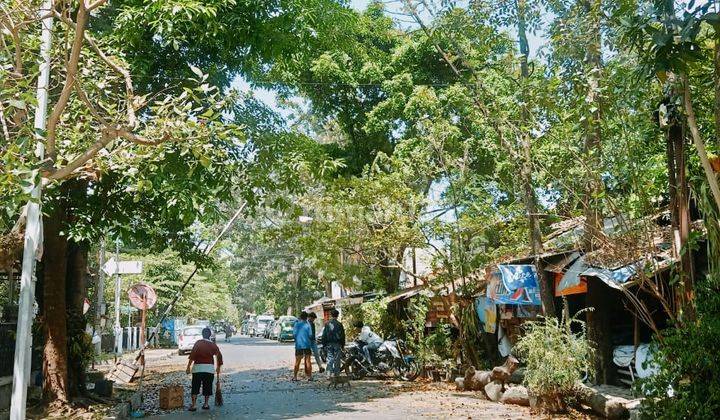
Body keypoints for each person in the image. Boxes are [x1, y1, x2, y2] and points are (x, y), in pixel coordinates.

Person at [185, 327, 223, 411]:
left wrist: (188, 367)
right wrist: (218, 367)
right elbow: (219, 356)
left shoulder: (198, 343)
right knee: (207, 387)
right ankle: (206, 404)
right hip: (209, 369)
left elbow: (192, 356)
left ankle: (194, 405)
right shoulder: (213, 345)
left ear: (202, 334)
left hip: (197, 369)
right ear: (210, 335)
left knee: (195, 387)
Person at [321, 309, 345, 377]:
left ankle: (328, 374)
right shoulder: (339, 324)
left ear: (331, 315)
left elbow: (324, 335)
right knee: (337, 359)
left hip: (329, 344)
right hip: (337, 344)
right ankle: (337, 374)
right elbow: (342, 335)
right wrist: (342, 345)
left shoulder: (327, 324)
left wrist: (324, 344)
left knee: (330, 358)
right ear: (337, 316)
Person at [293, 312, 313, 381]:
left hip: (299, 345)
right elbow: (310, 335)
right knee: (308, 361)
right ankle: (309, 377)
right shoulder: (308, 325)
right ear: (306, 317)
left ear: (300, 317)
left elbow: (294, 334)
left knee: (297, 361)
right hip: (307, 344)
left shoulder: (296, 324)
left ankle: (295, 377)